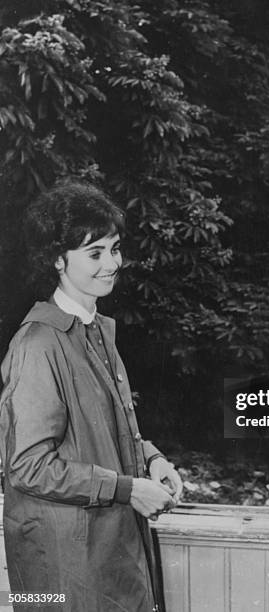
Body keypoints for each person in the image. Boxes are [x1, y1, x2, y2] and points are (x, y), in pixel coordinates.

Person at [0, 181, 182, 611]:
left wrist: (151, 458)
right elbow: (27, 466)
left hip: (104, 549)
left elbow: (104, 429)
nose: (111, 264)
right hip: (64, 562)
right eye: (95, 253)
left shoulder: (97, 330)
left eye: (114, 249)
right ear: (58, 260)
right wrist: (126, 488)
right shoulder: (38, 344)